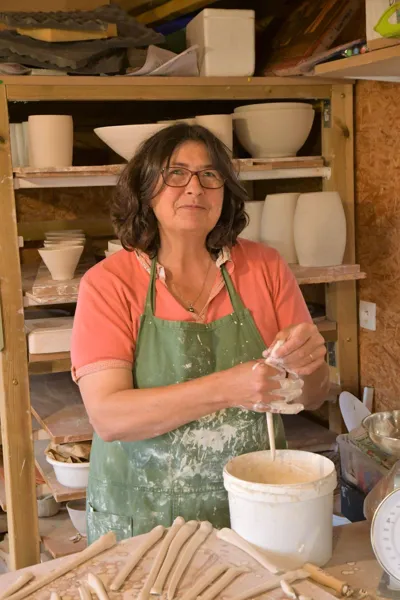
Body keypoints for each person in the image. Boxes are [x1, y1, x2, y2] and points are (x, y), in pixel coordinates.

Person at [71, 123, 330, 544]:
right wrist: (228, 389)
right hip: (144, 516)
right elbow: (109, 417)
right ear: (145, 189)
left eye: (210, 175)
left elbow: (312, 395)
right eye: (176, 173)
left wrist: (313, 365)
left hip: (252, 509)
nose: (195, 187)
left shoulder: (264, 267)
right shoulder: (109, 283)